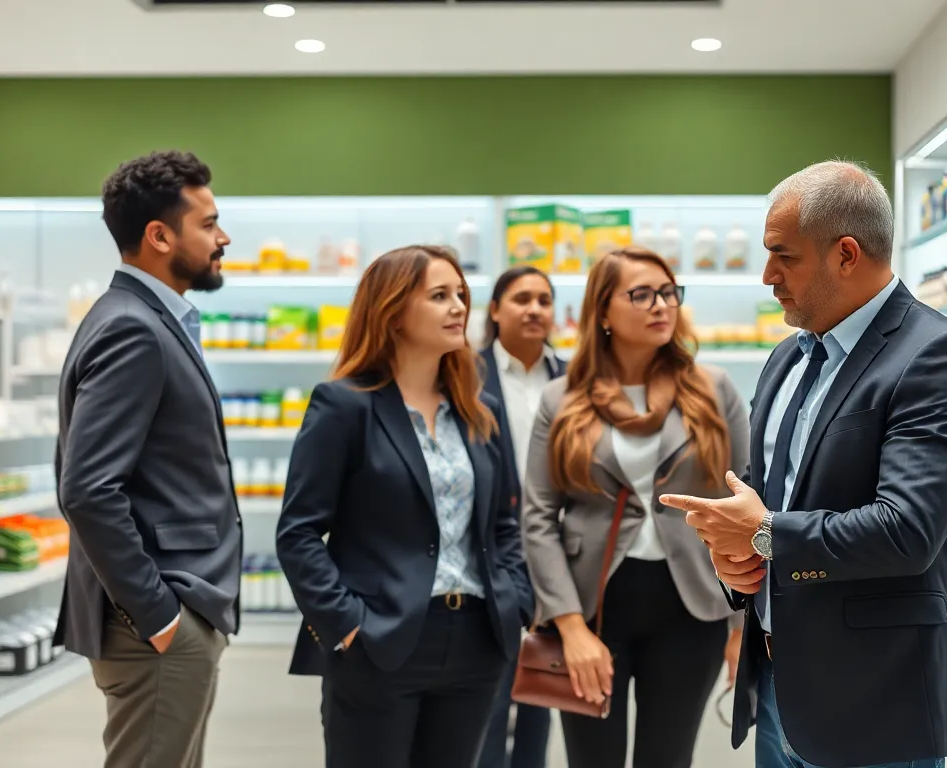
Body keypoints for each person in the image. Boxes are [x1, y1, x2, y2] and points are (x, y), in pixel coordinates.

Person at [661, 161, 947, 768]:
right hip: (780, 687)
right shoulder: (787, 359)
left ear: (846, 253)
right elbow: (768, 500)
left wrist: (765, 536)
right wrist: (738, 560)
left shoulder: (939, 357)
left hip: (877, 704)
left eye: (783, 256)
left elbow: (907, 531)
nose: (766, 276)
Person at [275, 245, 534, 768]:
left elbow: (504, 522)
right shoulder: (344, 405)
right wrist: (348, 624)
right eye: (439, 296)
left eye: (460, 294)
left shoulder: (479, 410)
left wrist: (516, 600)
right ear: (392, 311)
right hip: (380, 640)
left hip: (477, 642)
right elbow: (299, 533)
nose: (459, 306)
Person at [521, 246, 750, 768]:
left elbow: (746, 504)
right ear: (602, 311)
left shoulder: (713, 390)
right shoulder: (563, 399)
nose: (661, 305)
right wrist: (570, 627)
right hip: (592, 609)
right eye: (641, 294)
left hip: (692, 606)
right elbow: (537, 517)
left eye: (669, 292)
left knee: (667, 759)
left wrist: (743, 630)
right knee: (591, 759)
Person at [55, 150, 238, 768]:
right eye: (209, 224)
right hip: (155, 624)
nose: (223, 237)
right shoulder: (133, 327)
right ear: (159, 236)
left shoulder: (146, 318)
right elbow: (86, 489)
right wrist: (159, 614)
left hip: (169, 612)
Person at [477, 266, 564, 768]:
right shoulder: (466, 373)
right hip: (491, 554)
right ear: (495, 310)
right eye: (521, 298)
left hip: (557, 556)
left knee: (544, 688)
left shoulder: (574, 377)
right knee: (487, 695)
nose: (534, 309)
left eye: (544, 300)